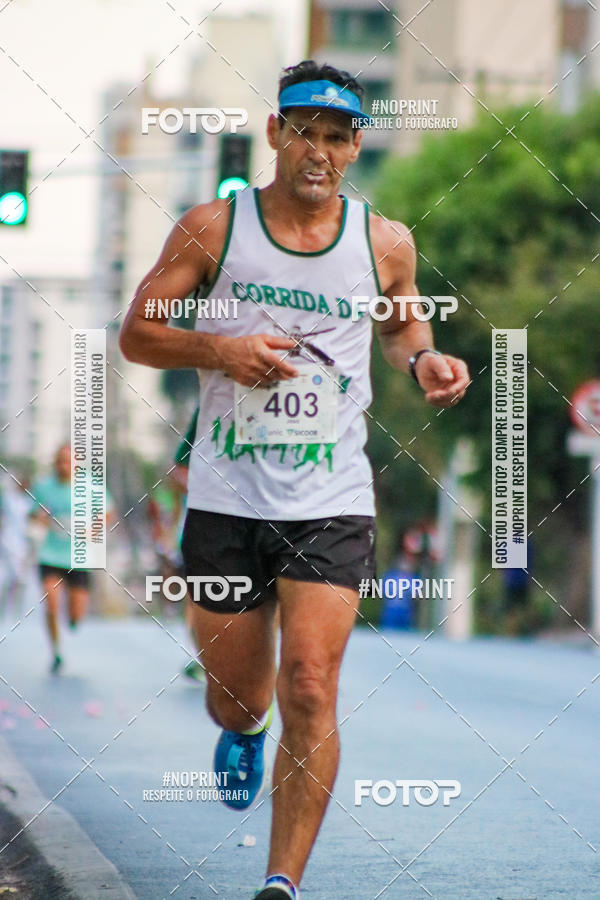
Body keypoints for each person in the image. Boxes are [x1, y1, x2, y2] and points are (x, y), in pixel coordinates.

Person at [120, 59, 469, 900]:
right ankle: (242, 729)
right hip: (226, 498)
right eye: (303, 131)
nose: (319, 150)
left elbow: (402, 321)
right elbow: (138, 332)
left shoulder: (383, 241)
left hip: (330, 499)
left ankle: (282, 882)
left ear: (354, 149)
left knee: (310, 682)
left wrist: (424, 361)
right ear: (276, 133)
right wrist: (219, 349)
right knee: (238, 702)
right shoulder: (214, 228)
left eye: (338, 136)